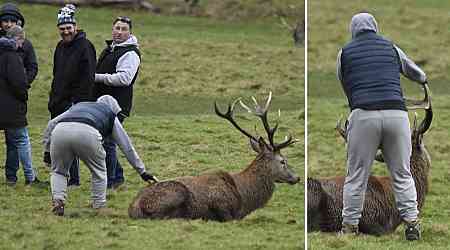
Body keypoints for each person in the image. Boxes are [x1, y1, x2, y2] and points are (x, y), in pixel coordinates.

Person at [337, 13, 427, 240]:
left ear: (353, 30)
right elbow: (418, 74)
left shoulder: (345, 53)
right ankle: (412, 223)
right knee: (402, 173)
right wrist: (422, 81)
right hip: (397, 114)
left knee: (356, 175)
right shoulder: (392, 48)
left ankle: (349, 228)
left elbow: (344, 82)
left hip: (363, 115)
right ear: (374, 28)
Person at [43, 95, 158, 215]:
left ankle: (58, 202)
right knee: (99, 172)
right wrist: (142, 171)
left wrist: (47, 151)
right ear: (114, 109)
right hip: (87, 132)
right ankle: (98, 206)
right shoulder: (110, 113)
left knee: (58, 172)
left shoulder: (79, 106)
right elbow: (126, 146)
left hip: (60, 131)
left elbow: (52, 123)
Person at [48, 4, 96, 187]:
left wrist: (78, 103)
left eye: (69, 28)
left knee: (71, 142)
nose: (66, 31)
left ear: (75, 26)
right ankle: (63, 176)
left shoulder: (85, 46)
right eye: (62, 29)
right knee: (59, 142)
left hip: (75, 103)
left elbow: (88, 77)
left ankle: (74, 179)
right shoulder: (60, 46)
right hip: (58, 101)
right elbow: (56, 74)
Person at [93, 16, 141, 189]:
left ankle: (112, 180)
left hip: (117, 105)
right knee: (106, 141)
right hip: (103, 103)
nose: (119, 32)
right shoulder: (111, 49)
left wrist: (96, 77)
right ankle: (117, 177)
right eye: (117, 28)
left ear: (130, 33)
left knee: (107, 142)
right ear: (112, 29)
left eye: (123, 29)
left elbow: (124, 79)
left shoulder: (130, 53)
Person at [0, 2, 39, 184]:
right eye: (5, 21)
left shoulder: (25, 45)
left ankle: (11, 175)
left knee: (13, 141)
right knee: (19, 139)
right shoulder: (10, 51)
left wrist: (25, 83)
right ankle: (25, 177)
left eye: (12, 21)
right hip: (11, 98)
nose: (8, 24)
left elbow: (32, 67)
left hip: (13, 96)